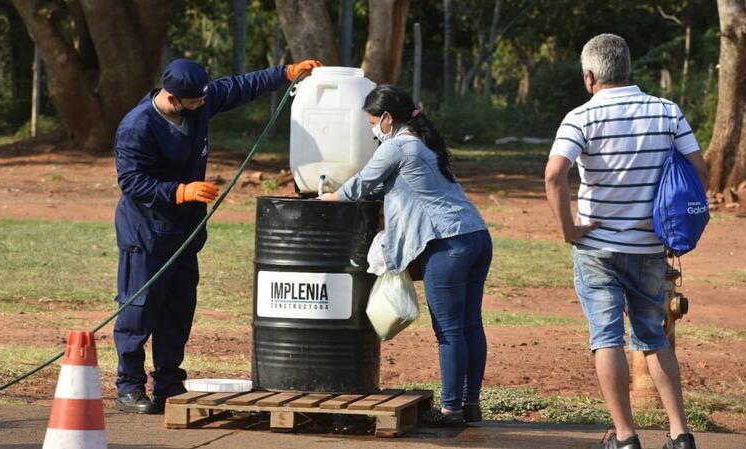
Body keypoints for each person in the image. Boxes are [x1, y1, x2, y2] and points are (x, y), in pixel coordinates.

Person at [113, 58, 322, 414]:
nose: (202, 106)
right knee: (140, 311)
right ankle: (129, 386)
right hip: (146, 233)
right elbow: (131, 181)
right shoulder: (138, 126)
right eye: (195, 102)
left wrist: (285, 73)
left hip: (185, 233)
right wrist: (180, 192)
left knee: (178, 312)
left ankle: (168, 383)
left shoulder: (199, 103)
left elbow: (240, 86)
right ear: (175, 98)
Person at [545, 34, 707, 449]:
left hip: (597, 247)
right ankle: (680, 434)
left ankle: (625, 437)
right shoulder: (667, 112)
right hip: (650, 247)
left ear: (589, 76)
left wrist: (567, 229)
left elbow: (554, 174)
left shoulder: (580, 117)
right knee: (653, 336)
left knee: (606, 338)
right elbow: (697, 169)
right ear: (627, 69)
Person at [319, 85, 492, 426]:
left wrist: (327, 199)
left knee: (449, 331)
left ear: (386, 118)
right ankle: (470, 405)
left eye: (372, 122)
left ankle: (451, 411)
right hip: (476, 236)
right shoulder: (425, 143)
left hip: (448, 244)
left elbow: (362, 184)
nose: (371, 130)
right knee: (470, 325)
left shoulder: (398, 145)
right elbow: (397, 186)